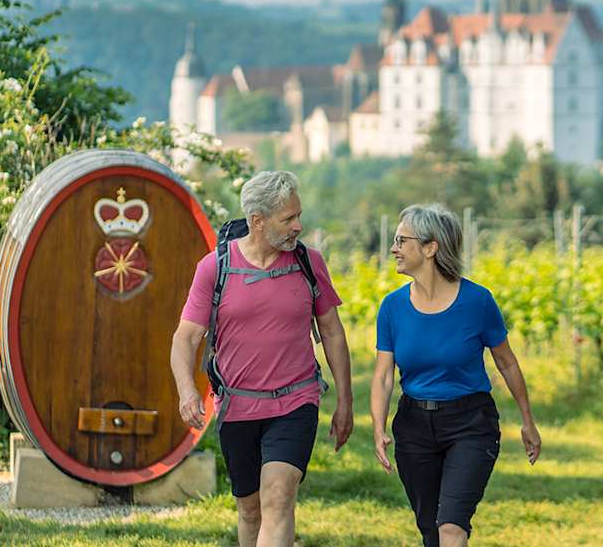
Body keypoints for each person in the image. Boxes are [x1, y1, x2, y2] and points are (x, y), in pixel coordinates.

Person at [169, 171, 353, 547]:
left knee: (279, 496)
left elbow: (332, 331)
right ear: (258, 221)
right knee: (250, 509)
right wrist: (187, 391)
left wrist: (345, 400)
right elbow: (186, 337)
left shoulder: (309, 263)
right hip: (237, 406)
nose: (298, 226)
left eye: (298, 215)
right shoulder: (215, 268)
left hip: (296, 401)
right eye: (288, 219)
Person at [370, 203, 541, 547]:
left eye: (402, 241)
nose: (394, 249)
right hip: (414, 426)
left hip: (470, 424)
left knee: (451, 525)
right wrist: (378, 426)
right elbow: (384, 375)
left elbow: (506, 362)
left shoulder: (477, 301)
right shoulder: (392, 307)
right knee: (431, 530)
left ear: (430, 248)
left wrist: (527, 420)